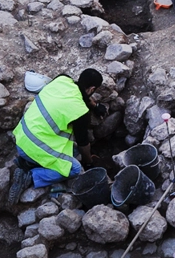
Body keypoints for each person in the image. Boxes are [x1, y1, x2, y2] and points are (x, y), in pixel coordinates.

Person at [8, 68, 105, 205]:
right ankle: (29, 176)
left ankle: (28, 162)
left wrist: (95, 106)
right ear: (92, 89)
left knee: (69, 149)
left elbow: (82, 95)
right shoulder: (80, 112)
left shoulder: (62, 79)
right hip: (32, 148)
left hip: (22, 137)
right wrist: (88, 162)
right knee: (74, 168)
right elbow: (83, 143)